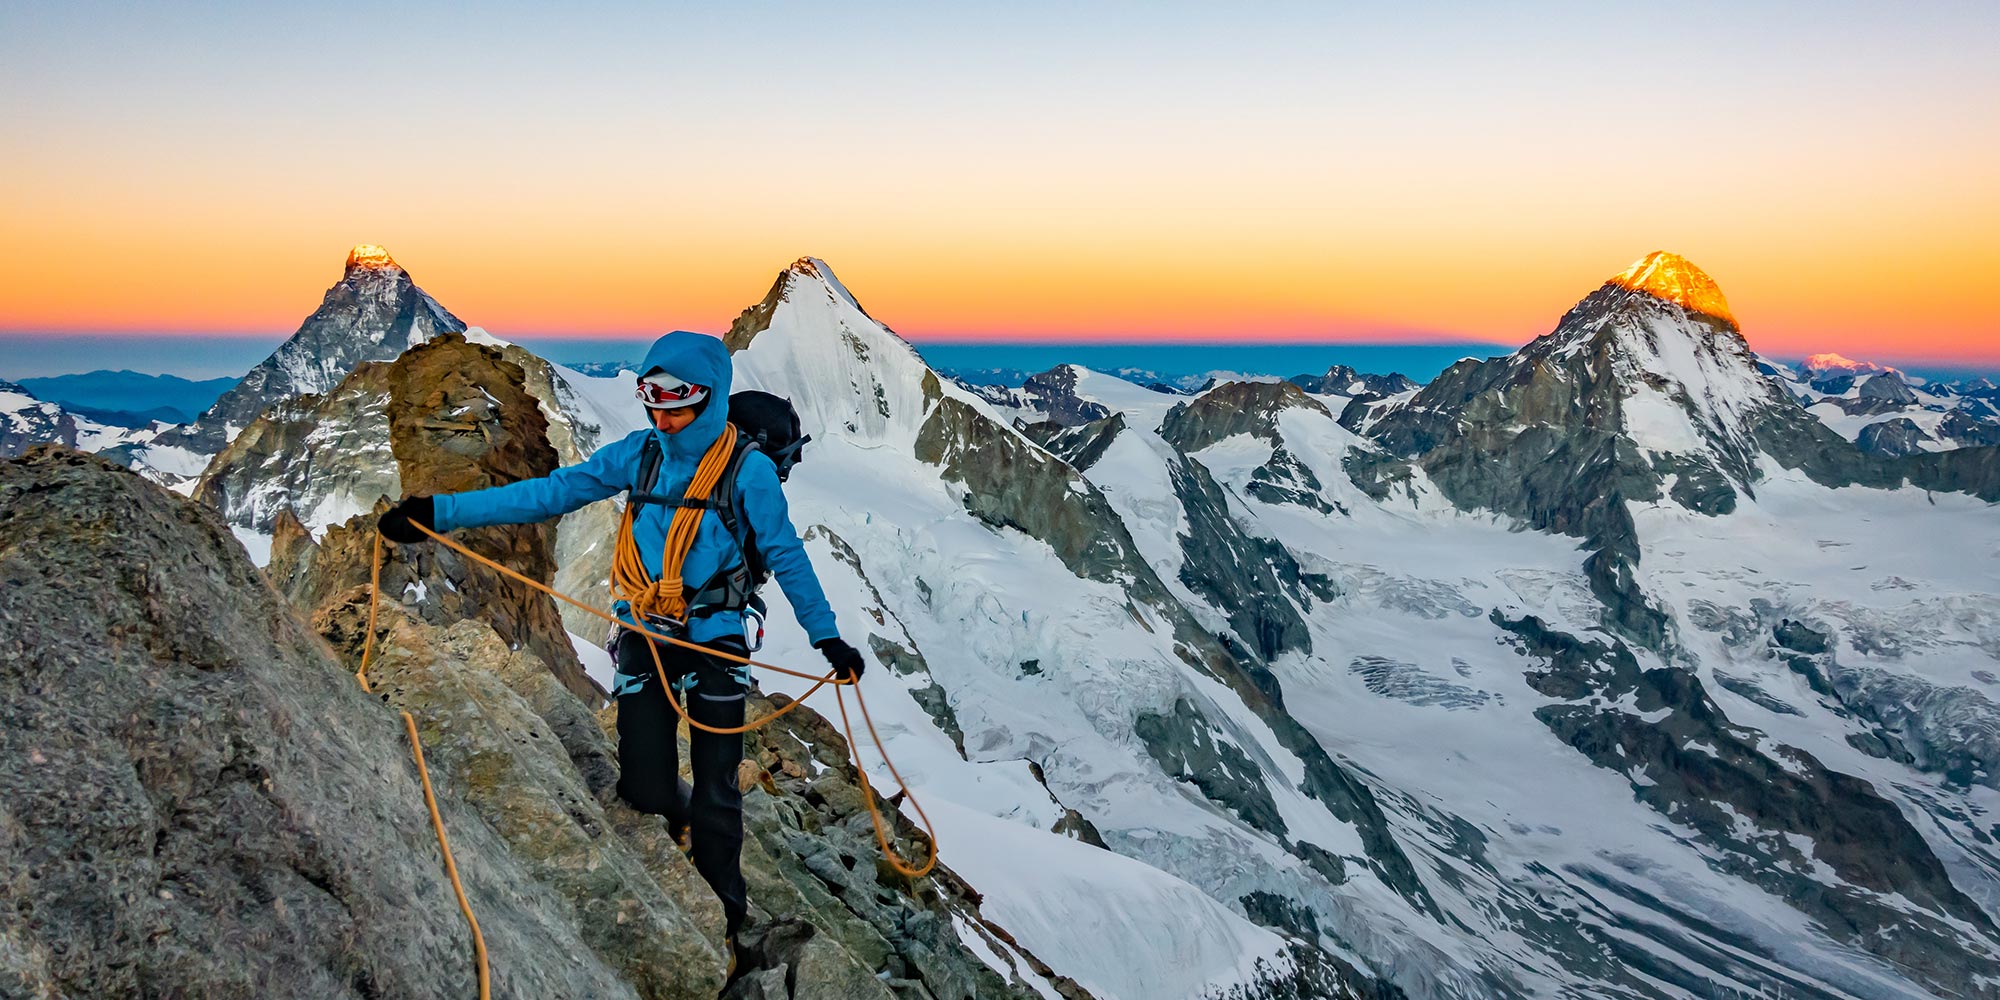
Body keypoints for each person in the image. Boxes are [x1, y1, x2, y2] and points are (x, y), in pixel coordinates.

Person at [376, 330, 866, 946]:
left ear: (711, 401)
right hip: (643, 624)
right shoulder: (641, 455)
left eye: (676, 404)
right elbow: (550, 495)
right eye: (652, 402)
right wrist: (437, 514)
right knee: (644, 786)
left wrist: (827, 638)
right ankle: (679, 820)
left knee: (719, 783)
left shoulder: (750, 471)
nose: (662, 417)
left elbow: (785, 555)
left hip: (714, 632)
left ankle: (723, 919)